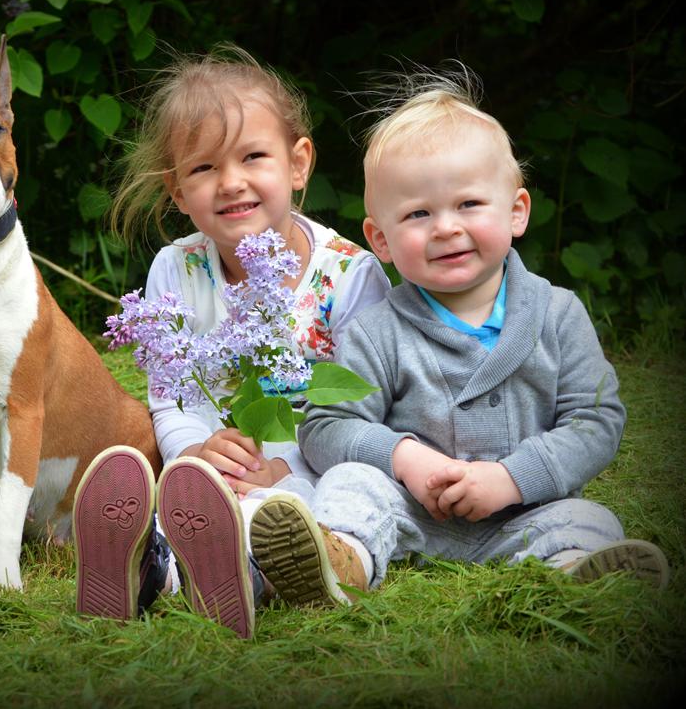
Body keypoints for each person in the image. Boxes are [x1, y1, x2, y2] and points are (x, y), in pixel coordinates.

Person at [284, 63, 670, 600]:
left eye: (468, 203)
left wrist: (513, 479)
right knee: (349, 487)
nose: (446, 227)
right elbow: (325, 426)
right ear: (382, 240)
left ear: (516, 212)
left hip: (527, 509)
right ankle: (341, 559)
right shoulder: (378, 330)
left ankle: (573, 572)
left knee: (588, 516)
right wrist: (404, 458)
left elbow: (595, 419)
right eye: (418, 213)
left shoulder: (557, 314)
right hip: (409, 508)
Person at [72, 44, 390, 638]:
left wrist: (279, 468)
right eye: (203, 168)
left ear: (298, 165)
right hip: (209, 480)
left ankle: (246, 571)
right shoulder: (177, 269)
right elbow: (170, 396)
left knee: (309, 511)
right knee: (182, 508)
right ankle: (147, 570)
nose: (231, 183)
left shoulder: (349, 276)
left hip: (310, 473)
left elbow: (361, 408)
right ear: (175, 190)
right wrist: (194, 453)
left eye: (252, 157)